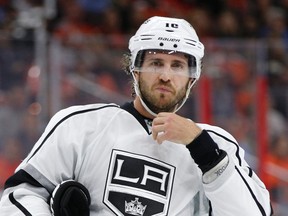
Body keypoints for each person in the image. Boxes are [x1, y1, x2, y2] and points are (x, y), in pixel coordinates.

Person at [0, 16, 272, 216]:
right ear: (135, 70)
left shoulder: (217, 146)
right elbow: (19, 196)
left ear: (191, 79)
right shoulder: (81, 125)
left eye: (177, 66)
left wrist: (203, 150)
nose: (166, 75)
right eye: (156, 63)